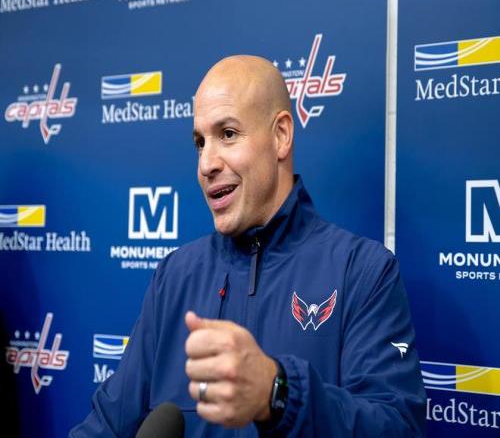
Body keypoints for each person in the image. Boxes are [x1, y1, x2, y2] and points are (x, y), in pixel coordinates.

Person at [70, 56, 426, 437]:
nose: (206, 164)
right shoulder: (174, 277)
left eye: (227, 134)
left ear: (281, 136)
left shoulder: (363, 272)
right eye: (200, 142)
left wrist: (278, 393)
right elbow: (105, 426)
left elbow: (396, 427)